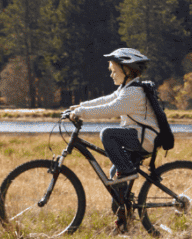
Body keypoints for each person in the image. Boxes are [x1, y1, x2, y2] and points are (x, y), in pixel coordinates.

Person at [66, 48, 160, 229]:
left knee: (107, 134)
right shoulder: (128, 88)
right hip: (139, 137)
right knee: (114, 178)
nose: (111, 74)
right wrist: (80, 106)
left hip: (144, 139)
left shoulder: (133, 93)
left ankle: (127, 172)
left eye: (114, 71)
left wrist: (81, 113)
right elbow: (107, 100)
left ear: (127, 70)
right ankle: (124, 221)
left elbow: (110, 109)